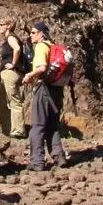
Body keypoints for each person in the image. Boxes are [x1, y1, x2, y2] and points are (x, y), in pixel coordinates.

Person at [20, 21, 71, 171]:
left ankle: (37, 162)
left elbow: (42, 68)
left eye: (33, 32)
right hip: (56, 90)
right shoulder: (51, 45)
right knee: (52, 125)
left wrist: (29, 75)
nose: (30, 35)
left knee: (37, 126)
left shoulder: (41, 47)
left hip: (43, 89)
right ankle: (59, 157)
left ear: (41, 34)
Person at [0, 17, 28, 140]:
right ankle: (9, 130)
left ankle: (18, 131)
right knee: (3, 102)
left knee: (14, 102)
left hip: (11, 73)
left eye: (1, 24)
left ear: (8, 26)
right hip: (10, 73)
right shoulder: (10, 38)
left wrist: (13, 64)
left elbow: (17, 49)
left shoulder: (10, 37)